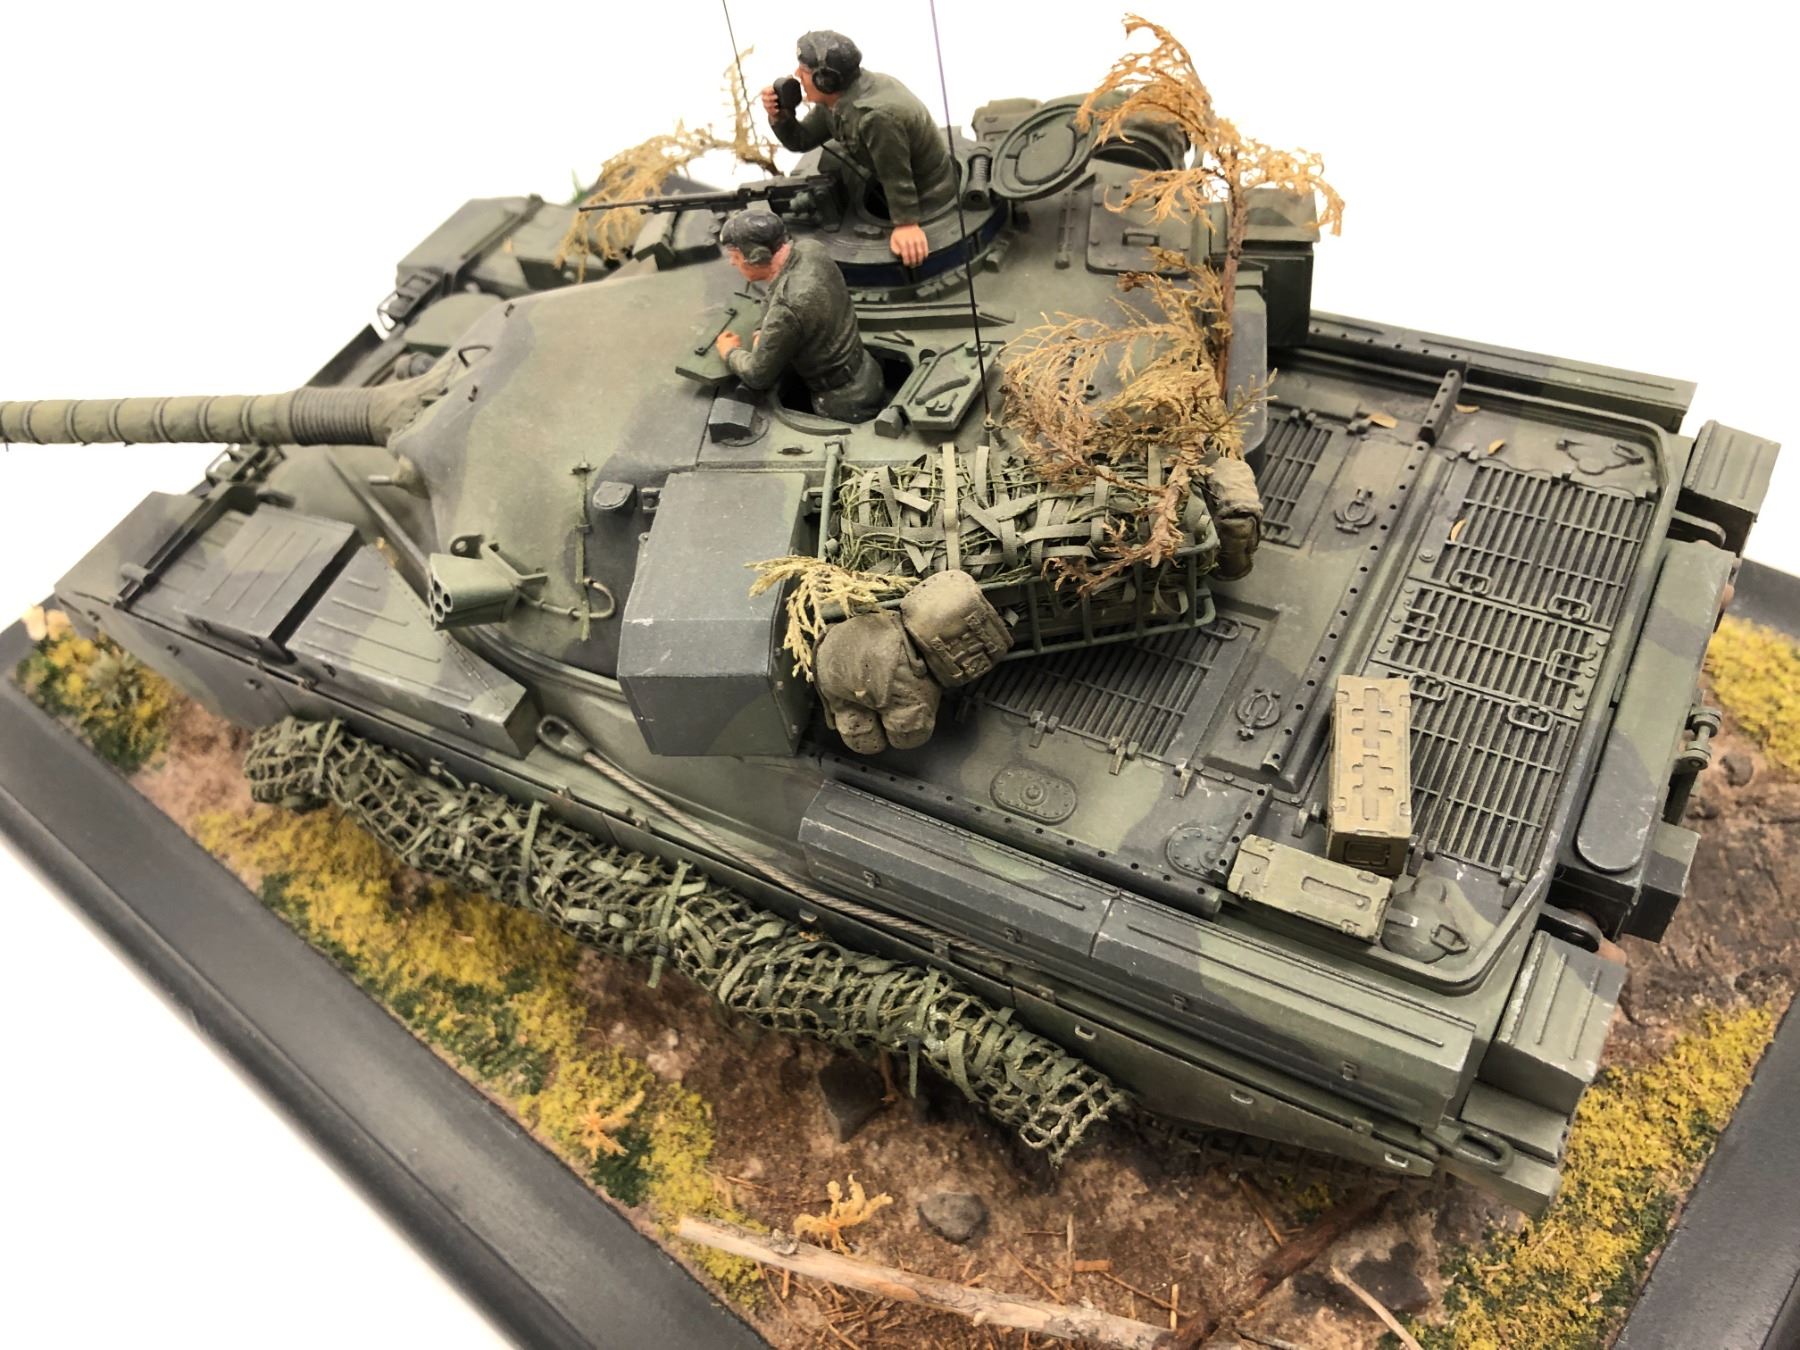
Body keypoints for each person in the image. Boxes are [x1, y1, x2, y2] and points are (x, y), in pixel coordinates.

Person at [758, 30, 956, 269]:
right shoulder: (838, 99)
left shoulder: (875, 117)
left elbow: (895, 175)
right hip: (882, 170)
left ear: (825, 80)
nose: (797, 75)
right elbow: (801, 140)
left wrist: (906, 224)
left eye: (804, 71)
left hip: (927, 192)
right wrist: (780, 115)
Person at [712, 210, 887, 423]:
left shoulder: (787, 306)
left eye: (736, 256)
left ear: (757, 256)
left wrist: (730, 352)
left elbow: (758, 375)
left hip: (840, 401)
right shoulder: (811, 250)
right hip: (866, 368)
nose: (732, 263)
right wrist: (761, 330)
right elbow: (773, 292)